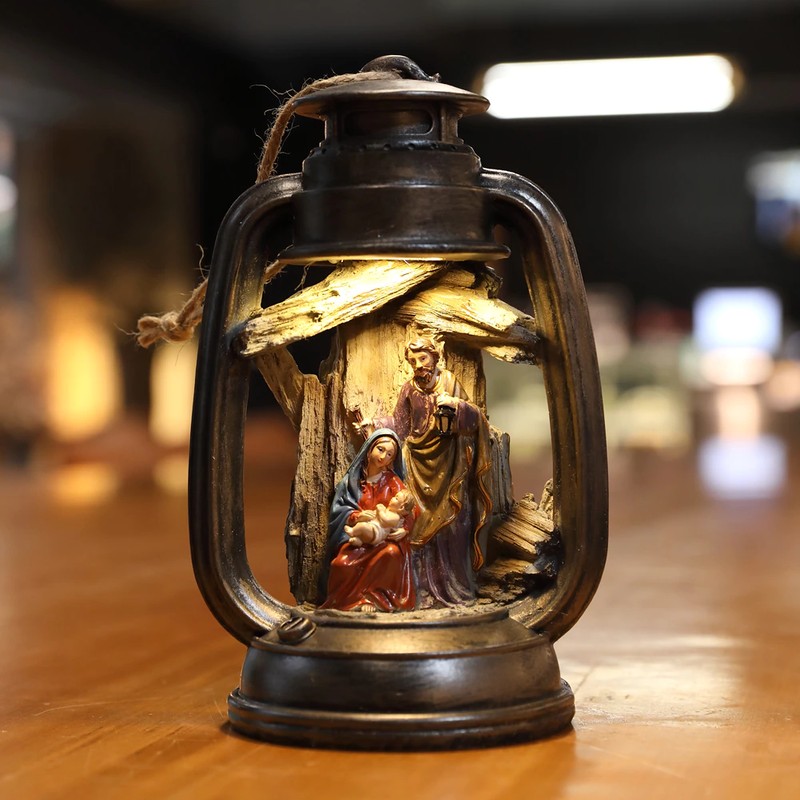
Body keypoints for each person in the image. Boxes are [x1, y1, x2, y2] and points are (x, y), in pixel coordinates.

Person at [369, 337, 494, 607]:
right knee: (416, 523)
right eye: (413, 361)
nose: (418, 365)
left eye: (423, 358)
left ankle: (452, 587)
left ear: (435, 358)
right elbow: (401, 425)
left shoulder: (449, 382)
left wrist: (456, 406)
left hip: (449, 465)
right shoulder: (408, 389)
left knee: (452, 523)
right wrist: (375, 423)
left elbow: (475, 418)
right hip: (416, 464)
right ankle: (421, 590)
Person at [320, 429, 417, 612]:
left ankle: (373, 598)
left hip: (385, 539)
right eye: (380, 449)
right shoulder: (352, 482)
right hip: (361, 537)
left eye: (389, 454)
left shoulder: (392, 481)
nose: (383, 456)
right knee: (341, 564)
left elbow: (411, 508)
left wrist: (405, 528)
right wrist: (357, 516)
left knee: (391, 554)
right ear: (370, 448)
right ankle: (350, 602)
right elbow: (339, 509)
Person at [345, 489, 416, 546]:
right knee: (363, 527)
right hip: (372, 526)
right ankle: (359, 541)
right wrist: (367, 514)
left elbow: (385, 520)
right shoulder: (387, 510)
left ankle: (352, 531)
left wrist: (380, 511)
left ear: (401, 507)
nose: (392, 498)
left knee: (362, 526)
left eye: (396, 498)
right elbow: (374, 515)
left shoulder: (396, 517)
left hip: (377, 532)